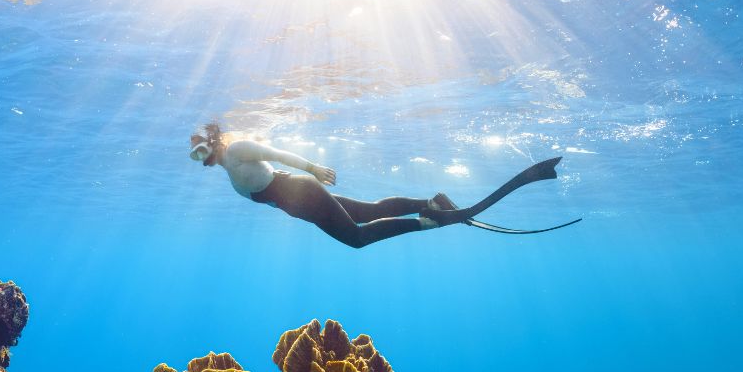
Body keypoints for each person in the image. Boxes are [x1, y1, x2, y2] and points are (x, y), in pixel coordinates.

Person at [189, 122, 574, 248]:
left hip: (302, 191)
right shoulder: (228, 167)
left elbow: (276, 152)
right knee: (369, 212)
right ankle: (431, 201)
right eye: (195, 153)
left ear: (214, 140)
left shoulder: (237, 148)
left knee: (357, 237)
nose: (199, 155)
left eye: (199, 147)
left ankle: (426, 221)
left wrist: (313, 167)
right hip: (296, 202)